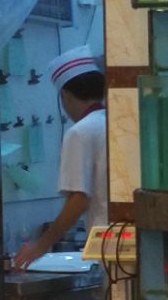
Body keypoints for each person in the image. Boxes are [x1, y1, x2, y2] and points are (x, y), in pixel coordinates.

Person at [13, 46, 108, 269]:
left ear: (65, 96)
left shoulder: (80, 132)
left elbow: (79, 200)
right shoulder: (110, 121)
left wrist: (41, 246)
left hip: (105, 242)